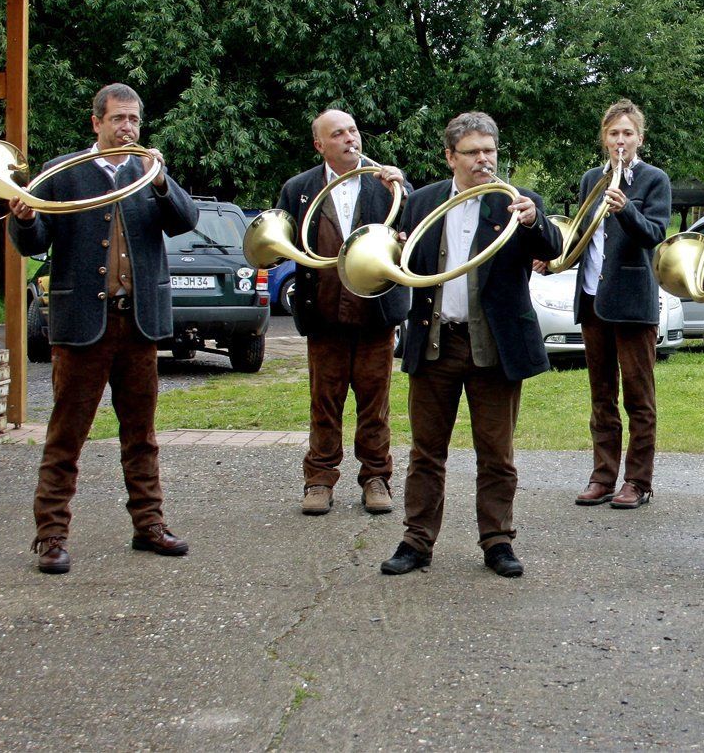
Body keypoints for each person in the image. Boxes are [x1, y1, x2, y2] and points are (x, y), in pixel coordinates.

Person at [9, 83, 198, 574]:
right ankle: (51, 535)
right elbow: (32, 241)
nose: (127, 127)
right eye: (118, 119)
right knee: (66, 435)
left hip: (137, 325)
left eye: (134, 119)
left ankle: (149, 524)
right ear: (96, 122)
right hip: (82, 326)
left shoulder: (149, 170)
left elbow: (185, 219)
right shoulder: (63, 172)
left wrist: (162, 181)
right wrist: (24, 220)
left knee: (142, 433)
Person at [381, 112, 562, 578]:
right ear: (450, 157)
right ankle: (416, 541)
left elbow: (553, 247)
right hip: (436, 342)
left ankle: (498, 541)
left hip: (494, 346)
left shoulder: (515, 201)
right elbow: (402, 260)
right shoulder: (423, 202)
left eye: (490, 151)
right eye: (472, 152)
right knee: (426, 452)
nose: (484, 160)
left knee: (496, 453)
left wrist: (533, 221)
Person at [274, 109, 410, 516]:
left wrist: (403, 189)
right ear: (320, 145)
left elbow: (413, 231)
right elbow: (280, 241)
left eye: (352, 130)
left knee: (375, 406)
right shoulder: (298, 188)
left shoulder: (387, 183)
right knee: (324, 404)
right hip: (324, 316)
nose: (350, 138)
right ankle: (319, 479)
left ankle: (376, 477)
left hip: (375, 315)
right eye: (338, 133)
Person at [567, 100, 672, 509]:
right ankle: (603, 476)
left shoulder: (654, 180)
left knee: (639, 398)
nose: (620, 140)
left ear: (639, 138)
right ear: (604, 139)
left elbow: (654, 234)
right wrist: (556, 256)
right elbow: (583, 234)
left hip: (633, 303)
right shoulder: (590, 179)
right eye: (613, 133)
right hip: (593, 299)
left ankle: (638, 482)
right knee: (602, 396)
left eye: (628, 133)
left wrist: (626, 208)